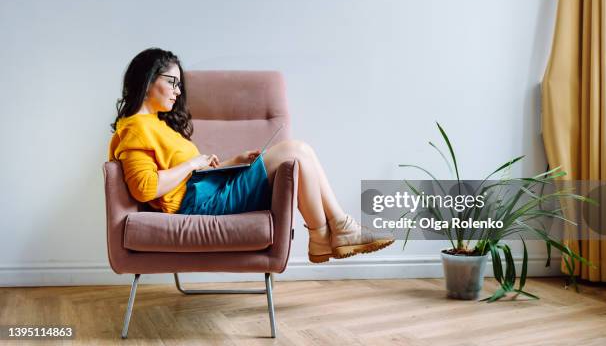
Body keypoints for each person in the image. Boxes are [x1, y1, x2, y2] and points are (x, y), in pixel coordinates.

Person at [108, 47, 394, 263]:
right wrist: (193, 162)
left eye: (179, 84)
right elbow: (145, 189)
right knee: (296, 150)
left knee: (299, 155)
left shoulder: (157, 124)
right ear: (148, 82)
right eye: (172, 82)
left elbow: (182, 175)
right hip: (198, 205)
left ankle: (323, 236)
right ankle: (336, 230)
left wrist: (233, 162)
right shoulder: (135, 128)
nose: (177, 91)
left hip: (207, 192)